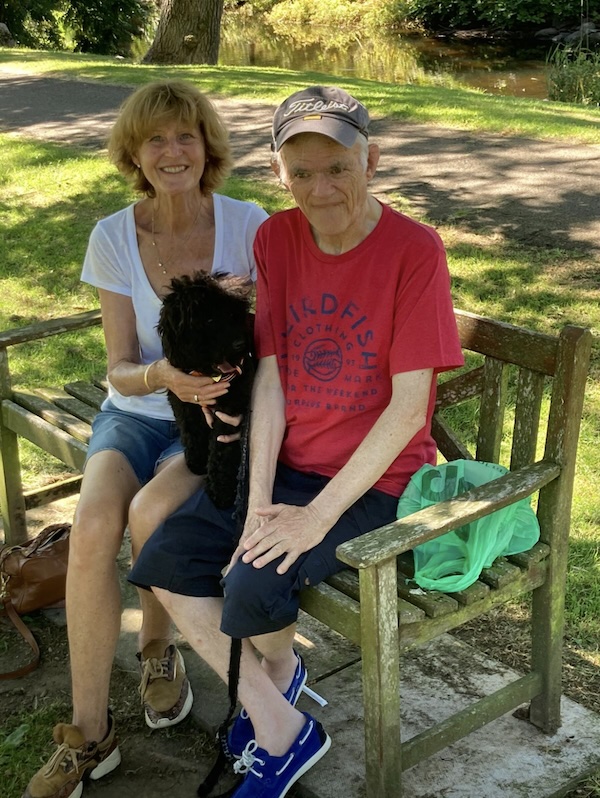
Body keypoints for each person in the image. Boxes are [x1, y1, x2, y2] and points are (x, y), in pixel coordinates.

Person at [129, 85, 465, 798]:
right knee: (163, 557)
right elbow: (273, 379)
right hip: (286, 466)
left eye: (337, 167)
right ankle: (280, 719)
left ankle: (275, 713)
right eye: (301, 171)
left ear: (371, 160)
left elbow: (410, 411)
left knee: (250, 582)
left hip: (374, 483)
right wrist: (257, 500)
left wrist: (314, 517)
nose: (320, 188)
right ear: (279, 173)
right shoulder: (275, 238)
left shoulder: (414, 251)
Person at [22, 79, 268, 798]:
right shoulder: (112, 235)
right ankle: (88, 734)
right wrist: (164, 372)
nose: (172, 151)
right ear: (133, 152)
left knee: (150, 513)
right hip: (135, 412)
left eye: (186, 135)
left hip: (211, 426)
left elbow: (274, 344)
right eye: (155, 138)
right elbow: (120, 367)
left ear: (208, 146)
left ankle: (158, 652)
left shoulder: (249, 226)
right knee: (95, 523)